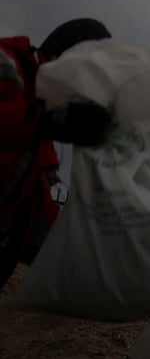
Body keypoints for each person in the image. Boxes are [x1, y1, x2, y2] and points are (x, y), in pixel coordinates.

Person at [1, 18, 113, 288]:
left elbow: (37, 218)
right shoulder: (6, 63)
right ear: (62, 56)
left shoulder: (40, 147)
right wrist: (47, 120)